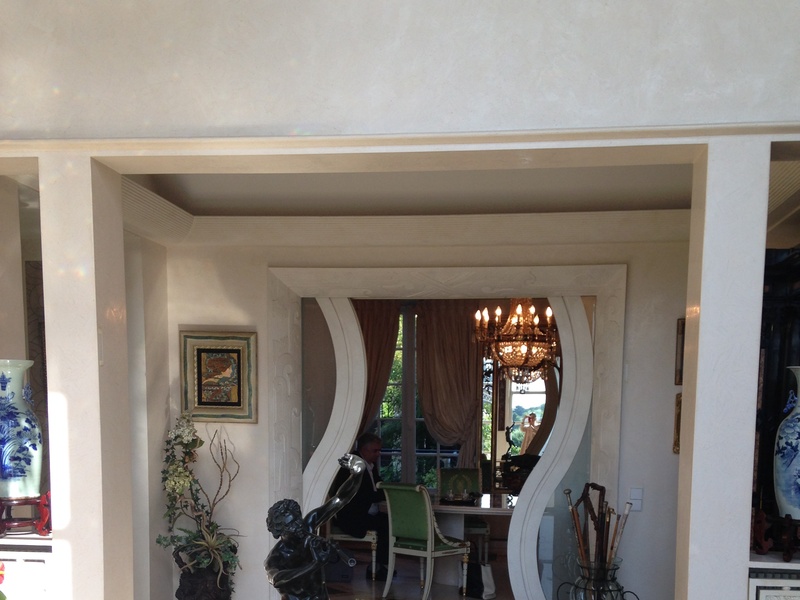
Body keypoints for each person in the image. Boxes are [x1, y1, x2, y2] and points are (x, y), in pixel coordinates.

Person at [265, 454, 366, 600]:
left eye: (298, 520)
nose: (299, 526)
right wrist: (315, 565)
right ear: (279, 531)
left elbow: (340, 499)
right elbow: (277, 579)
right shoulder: (277, 555)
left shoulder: (308, 527)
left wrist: (357, 472)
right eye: (292, 525)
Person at [329, 432, 391, 580]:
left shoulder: (370, 465)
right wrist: (384, 495)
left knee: (392, 522)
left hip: (364, 513)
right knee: (386, 525)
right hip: (353, 517)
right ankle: (378, 567)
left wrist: (387, 492)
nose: (378, 454)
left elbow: (377, 486)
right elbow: (361, 495)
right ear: (363, 449)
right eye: (375, 450)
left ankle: (380, 565)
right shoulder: (352, 467)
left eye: (379, 450)